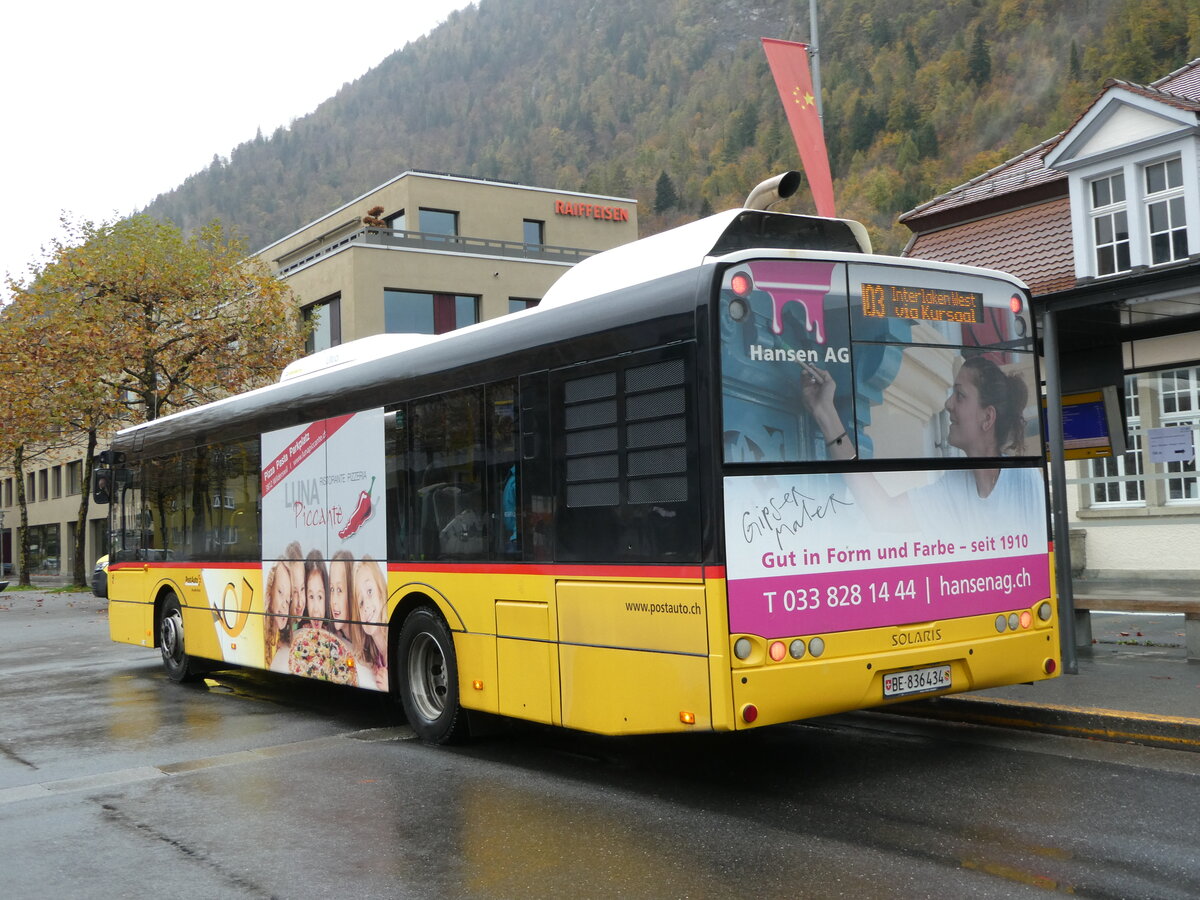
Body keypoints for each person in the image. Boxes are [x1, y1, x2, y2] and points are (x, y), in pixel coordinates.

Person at [802, 354, 1039, 536]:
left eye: (960, 395)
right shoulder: (954, 485)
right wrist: (826, 414)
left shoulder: (1024, 481)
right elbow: (884, 514)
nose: (948, 404)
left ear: (987, 418)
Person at [353, 556, 389, 691]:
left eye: (370, 592)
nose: (366, 606)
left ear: (381, 591)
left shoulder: (394, 645)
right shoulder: (377, 657)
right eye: (361, 602)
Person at [264, 559, 292, 670]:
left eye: (288, 599)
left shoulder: (283, 641)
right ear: (270, 591)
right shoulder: (261, 632)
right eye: (280, 592)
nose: (285, 606)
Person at [302, 549, 330, 631]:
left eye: (320, 597)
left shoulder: (335, 627)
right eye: (311, 596)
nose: (316, 610)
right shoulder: (298, 627)